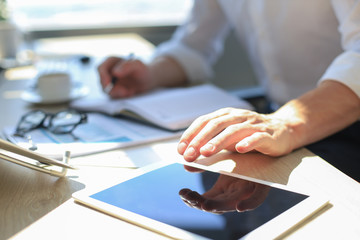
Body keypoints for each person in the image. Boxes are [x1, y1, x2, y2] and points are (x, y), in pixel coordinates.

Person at [98, 1, 360, 179]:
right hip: (276, 122)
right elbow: (193, 45)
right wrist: (152, 73)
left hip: (342, 127)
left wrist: (285, 124)